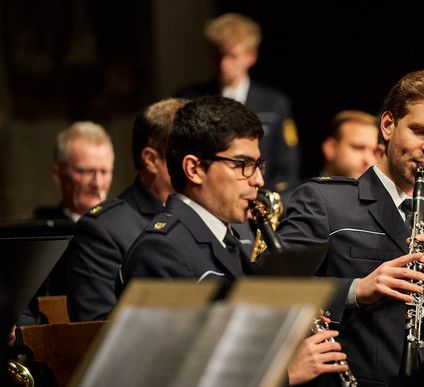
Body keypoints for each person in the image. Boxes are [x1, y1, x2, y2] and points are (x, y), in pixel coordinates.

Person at [120, 95, 347, 385]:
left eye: (257, 164)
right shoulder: (161, 250)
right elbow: (176, 376)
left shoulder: (230, 239)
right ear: (194, 169)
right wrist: (284, 373)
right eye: (242, 164)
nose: (258, 180)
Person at [275, 69, 424, 386]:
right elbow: (272, 292)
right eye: (420, 131)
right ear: (388, 125)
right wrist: (357, 290)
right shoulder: (324, 202)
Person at [64, 98, 188, 322]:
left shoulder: (212, 217)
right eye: (187, 152)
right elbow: (95, 328)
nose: (197, 163)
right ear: (151, 159)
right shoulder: (104, 229)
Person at [174, 12, 300, 192]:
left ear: (251, 56)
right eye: (218, 56)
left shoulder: (274, 103)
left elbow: (287, 163)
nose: (224, 65)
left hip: (261, 196)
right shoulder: (190, 99)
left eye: (232, 56)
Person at [35, 121, 115, 223]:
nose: (97, 184)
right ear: (58, 175)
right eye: (86, 171)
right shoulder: (41, 233)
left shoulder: (125, 228)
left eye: (104, 172)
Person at [320, 109, 382, 179]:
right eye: (358, 148)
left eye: (374, 152)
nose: (368, 160)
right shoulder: (306, 189)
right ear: (330, 148)